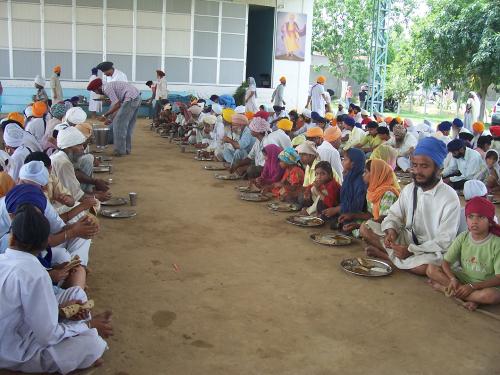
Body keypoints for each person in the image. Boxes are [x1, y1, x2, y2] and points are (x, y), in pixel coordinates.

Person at [0, 203, 112, 374]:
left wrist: (60, 311)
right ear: (45, 244)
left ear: (12, 238)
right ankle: (87, 344)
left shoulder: (5, 260)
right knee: (91, 344)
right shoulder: (34, 273)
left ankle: (83, 338)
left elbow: (19, 308)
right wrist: (88, 325)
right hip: (12, 349)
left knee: (76, 293)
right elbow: (47, 336)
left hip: (15, 327)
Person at [360, 137, 461, 275]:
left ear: (439, 169)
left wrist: (410, 250)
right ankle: (398, 258)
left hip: (430, 249)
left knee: (425, 267)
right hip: (407, 238)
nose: (417, 171)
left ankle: (387, 256)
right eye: (414, 165)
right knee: (366, 228)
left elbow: (444, 241)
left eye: (424, 166)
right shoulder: (410, 189)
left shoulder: (449, 197)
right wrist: (392, 230)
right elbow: (394, 214)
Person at [427, 197, 500, 311]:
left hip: (486, 284)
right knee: (431, 269)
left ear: (490, 222)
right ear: (466, 219)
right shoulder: (464, 237)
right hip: (465, 278)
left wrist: (473, 286)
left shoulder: (497, 243)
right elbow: (446, 262)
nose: (474, 221)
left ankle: (445, 289)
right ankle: (471, 297)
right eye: (470, 216)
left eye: (480, 217)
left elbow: (498, 278)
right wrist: (452, 279)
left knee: (492, 296)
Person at [51, 127, 111, 202]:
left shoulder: (64, 157)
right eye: (79, 145)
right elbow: (74, 195)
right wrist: (97, 196)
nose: (82, 148)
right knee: (93, 204)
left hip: (62, 196)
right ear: (68, 148)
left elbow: (76, 173)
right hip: (57, 204)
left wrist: (95, 182)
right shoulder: (63, 163)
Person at [87, 78, 141, 156]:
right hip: (136, 97)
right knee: (128, 125)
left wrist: (105, 115)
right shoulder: (110, 86)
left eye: (94, 91)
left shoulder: (106, 88)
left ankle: (119, 151)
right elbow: (119, 107)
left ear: (98, 88)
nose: (96, 93)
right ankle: (126, 149)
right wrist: (110, 119)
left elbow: (117, 105)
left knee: (118, 124)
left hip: (130, 98)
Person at [334, 148, 367, 233]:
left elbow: (357, 206)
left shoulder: (360, 181)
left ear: (353, 163)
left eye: (345, 159)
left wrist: (338, 209)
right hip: (347, 212)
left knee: (347, 227)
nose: (342, 162)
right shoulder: (348, 176)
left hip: (357, 215)